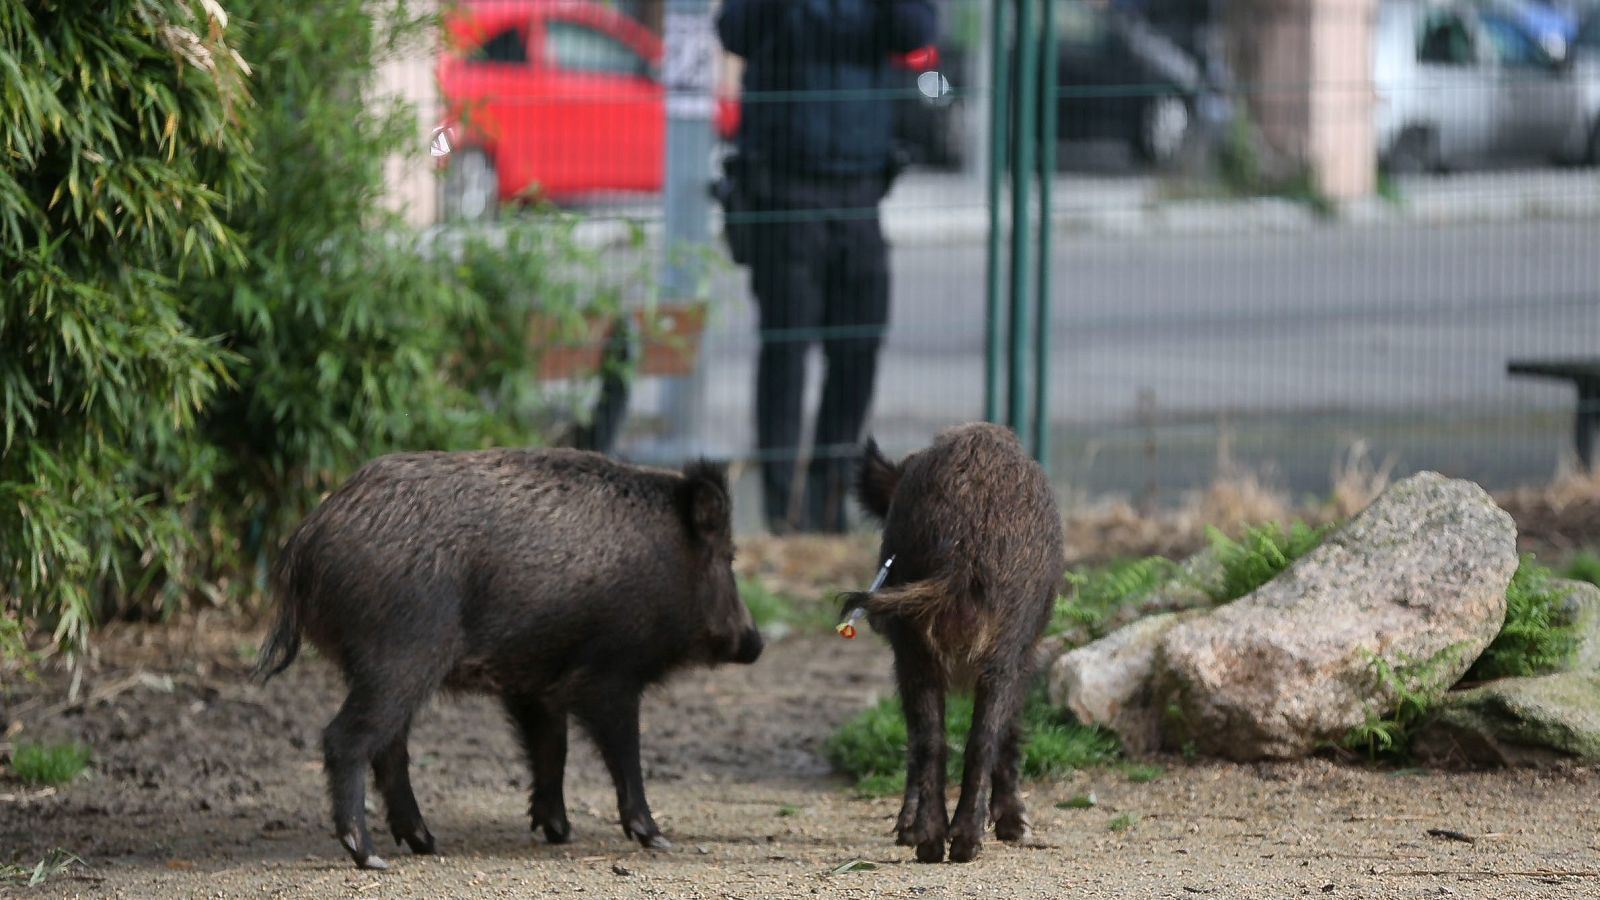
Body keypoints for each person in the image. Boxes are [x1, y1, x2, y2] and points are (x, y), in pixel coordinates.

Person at [715, 0, 937, 534]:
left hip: (860, 192)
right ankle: (780, 512)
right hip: (785, 190)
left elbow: (917, 32)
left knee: (858, 348)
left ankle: (829, 499)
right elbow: (736, 31)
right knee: (786, 352)